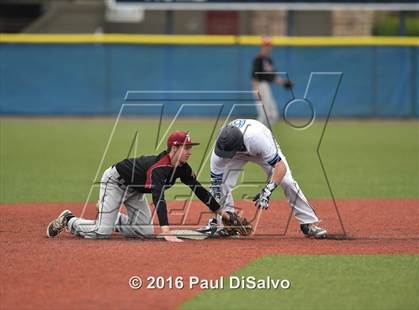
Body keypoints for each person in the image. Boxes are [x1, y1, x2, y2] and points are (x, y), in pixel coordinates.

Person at [46, 131, 237, 242]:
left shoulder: (182, 168)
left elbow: (200, 192)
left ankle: (113, 216)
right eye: (186, 148)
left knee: (145, 232)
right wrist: (166, 230)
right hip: (115, 182)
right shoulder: (159, 168)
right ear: (174, 149)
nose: (190, 151)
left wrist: (225, 215)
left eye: (190, 147)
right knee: (101, 232)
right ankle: (69, 219)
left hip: (135, 190)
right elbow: (158, 197)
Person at [201, 119, 327, 239]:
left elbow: (280, 167)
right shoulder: (220, 150)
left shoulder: (256, 138)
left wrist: (267, 191)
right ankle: (227, 221)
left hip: (260, 150)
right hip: (236, 150)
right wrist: (215, 217)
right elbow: (215, 187)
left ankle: (308, 223)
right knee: (222, 183)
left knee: (287, 181)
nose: (224, 156)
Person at [252, 37, 293, 126]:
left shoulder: (269, 60)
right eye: (266, 45)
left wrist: (284, 82)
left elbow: (273, 77)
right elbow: (254, 76)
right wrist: (256, 90)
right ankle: (254, 133)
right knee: (264, 115)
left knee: (273, 115)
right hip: (260, 86)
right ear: (262, 46)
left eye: (269, 45)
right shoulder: (258, 59)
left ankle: (264, 134)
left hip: (266, 87)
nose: (268, 47)